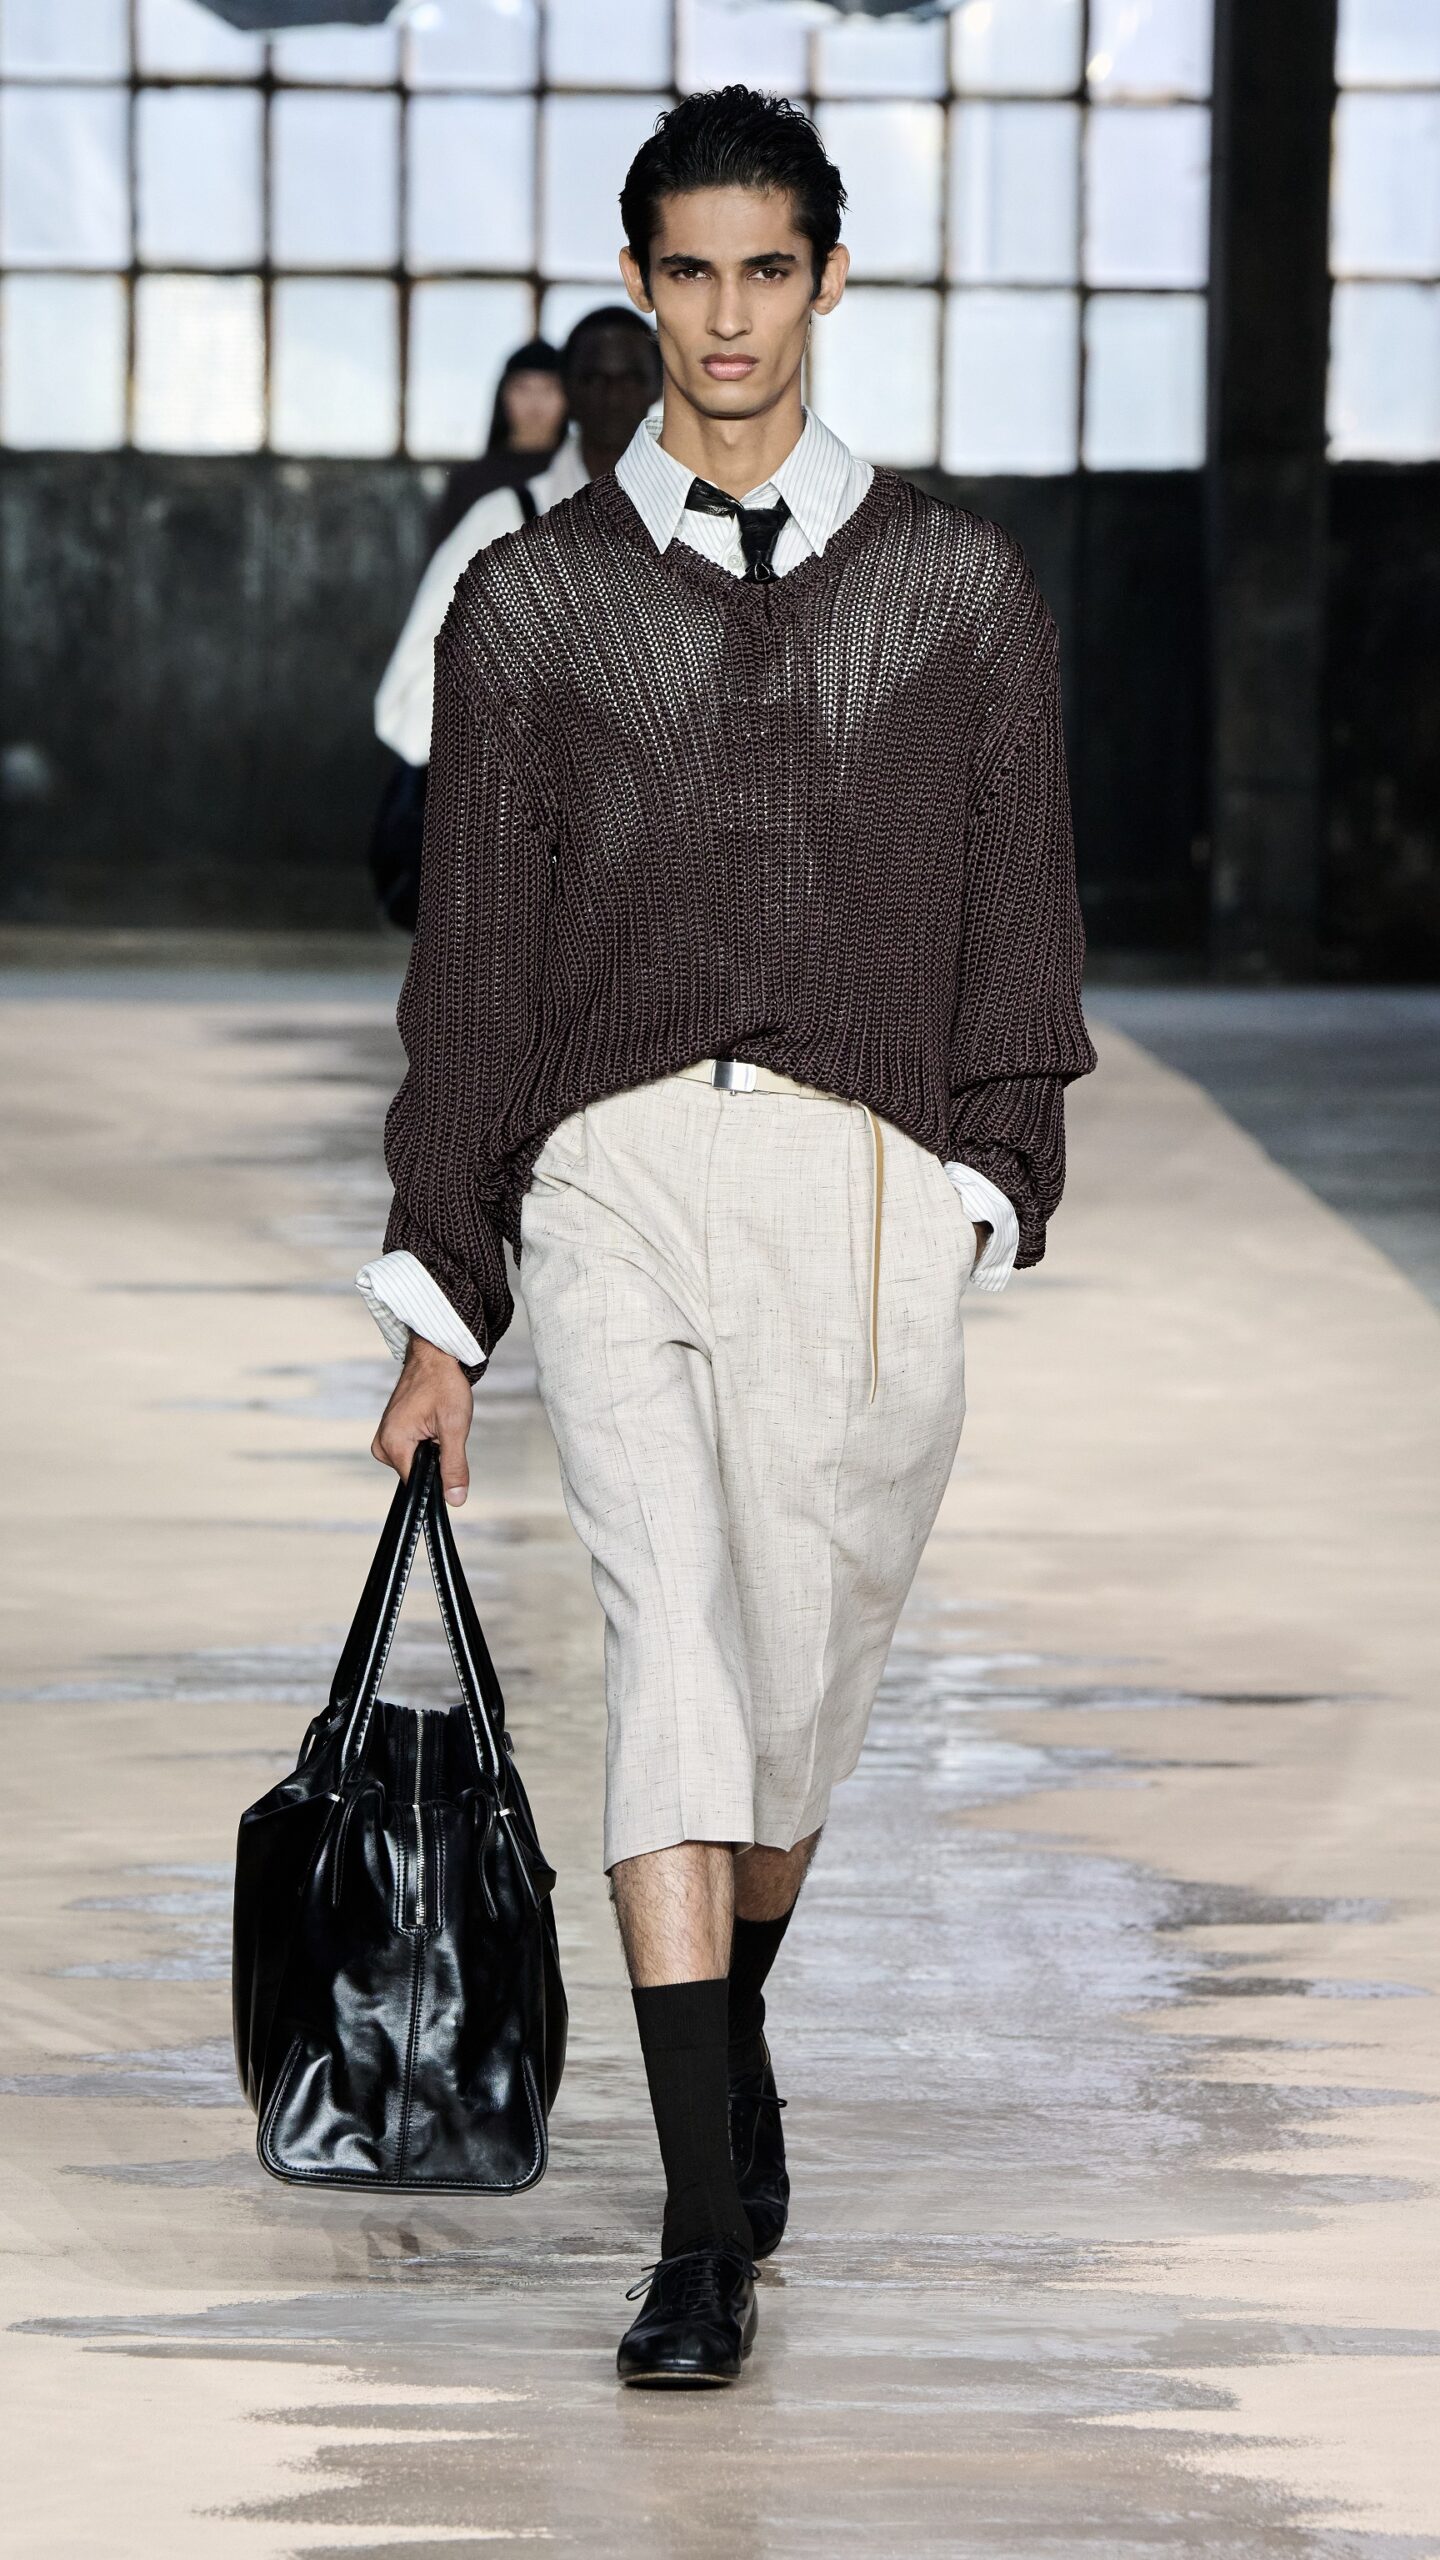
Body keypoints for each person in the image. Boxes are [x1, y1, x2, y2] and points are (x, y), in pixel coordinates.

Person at [358, 87, 1096, 2387]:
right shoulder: (534, 603)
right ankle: (697, 2234)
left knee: (795, 1694)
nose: (726, 317)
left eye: (765, 268)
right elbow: (475, 970)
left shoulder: (956, 598)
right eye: (686, 271)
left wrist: (979, 1185)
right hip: (609, 1181)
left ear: (827, 279)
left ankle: (727, 2019)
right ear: (640, 288)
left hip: (866, 1192)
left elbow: (1015, 922)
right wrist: (443, 1303)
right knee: (667, 1648)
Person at [367, 308, 662, 926]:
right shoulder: (504, 519)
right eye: (594, 378)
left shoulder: (717, 524)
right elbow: (409, 700)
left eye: (631, 377)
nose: (612, 396)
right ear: (569, 390)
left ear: (662, 386)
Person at [428, 336, 568, 551]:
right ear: (503, 394)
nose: (535, 403)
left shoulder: (582, 473)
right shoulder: (470, 482)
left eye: (549, 389)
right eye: (523, 388)